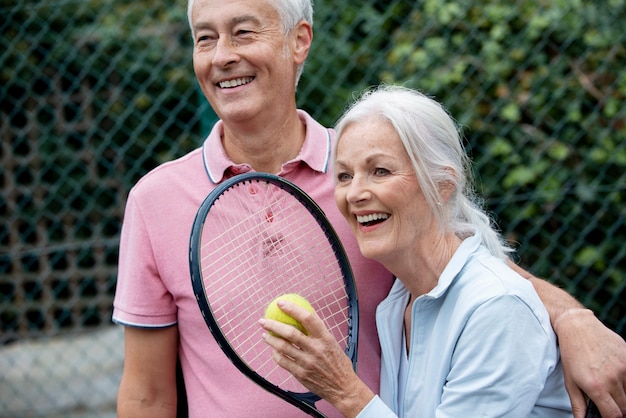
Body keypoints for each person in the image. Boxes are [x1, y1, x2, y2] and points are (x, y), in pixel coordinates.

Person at [112, 0, 626, 417]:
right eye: (205, 37)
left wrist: (574, 318)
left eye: (243, 32)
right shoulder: (154, 201)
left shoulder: (369, 177)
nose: (222, 55)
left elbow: (475, 269)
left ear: (299, 41)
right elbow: (146, 396)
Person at [260, 85, 574, 417]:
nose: (354, 193)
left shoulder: (497, 307)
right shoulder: (395, 306)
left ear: (442, 185)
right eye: (344, 176)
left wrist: (344, 390)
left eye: (380, 171)